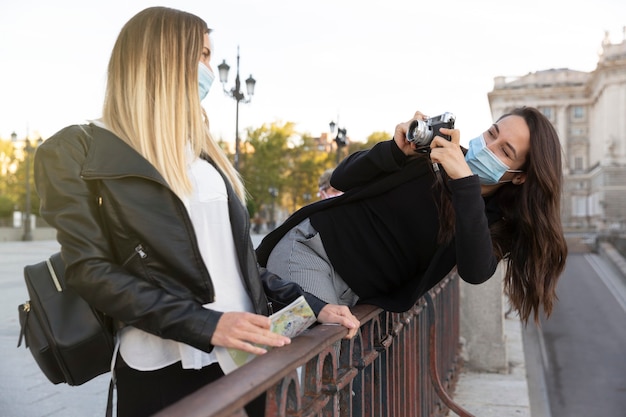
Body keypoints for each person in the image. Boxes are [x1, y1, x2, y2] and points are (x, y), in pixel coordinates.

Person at [33, 7, 358, 417]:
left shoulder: (202, 151)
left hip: (245, 354)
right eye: (202, 55)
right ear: (163, 57)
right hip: (164, 362)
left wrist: (309, 305)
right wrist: (209, 325)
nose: (209, 69)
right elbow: (91, 270)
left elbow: (232, 262)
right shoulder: (77, 149)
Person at [257, 107, 568, 324]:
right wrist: (394, 150)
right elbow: (341, 179)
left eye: (504, 151)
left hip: (355, 291)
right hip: (312, 251)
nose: (487, 146)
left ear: (519, 176)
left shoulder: (493, 218)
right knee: (316, 351)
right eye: (491, 133)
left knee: (323, 366)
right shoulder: (433, 153)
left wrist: (465, 184)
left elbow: (476, 271)